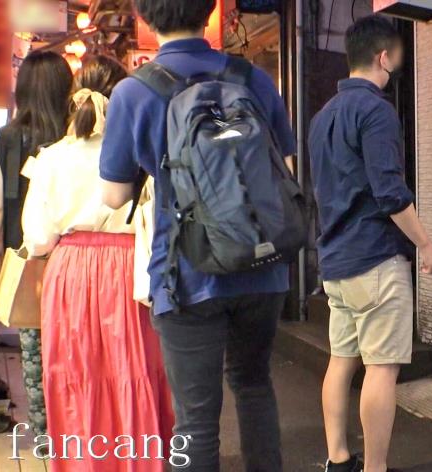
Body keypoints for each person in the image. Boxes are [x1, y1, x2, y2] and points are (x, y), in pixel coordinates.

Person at [99, 1, 297, 470]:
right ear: (210, 11)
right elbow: (284, 169)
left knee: (196, 421)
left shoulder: (134, 91)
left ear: (145, 18)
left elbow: (113, 195)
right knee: (254, 386)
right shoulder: (253, 79)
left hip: (186, 274)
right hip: (262, 266)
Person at [21, 54, 174, 471]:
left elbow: (38, 238)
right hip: (128, 269)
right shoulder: (140, 153)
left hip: (69, 272)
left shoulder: (52, 157)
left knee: (76, 376)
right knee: (134, 371)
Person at [308, 14, 432, 472]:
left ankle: (338, 460)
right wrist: (426, 245)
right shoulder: (376, 111)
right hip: (375, 259)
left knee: (340, 362)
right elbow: (389, 192)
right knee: (382, 369)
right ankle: (375, 468)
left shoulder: (322, 116)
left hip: (336, 261)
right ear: (384, 57)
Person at [0, 50, 73, 441]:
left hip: (24, 256)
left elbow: (1, 203)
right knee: (73, 347)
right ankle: (76, 429)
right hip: (73, 256)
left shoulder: (7, 138)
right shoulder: (75, 133)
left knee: (34, 350)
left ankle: (45, 436)